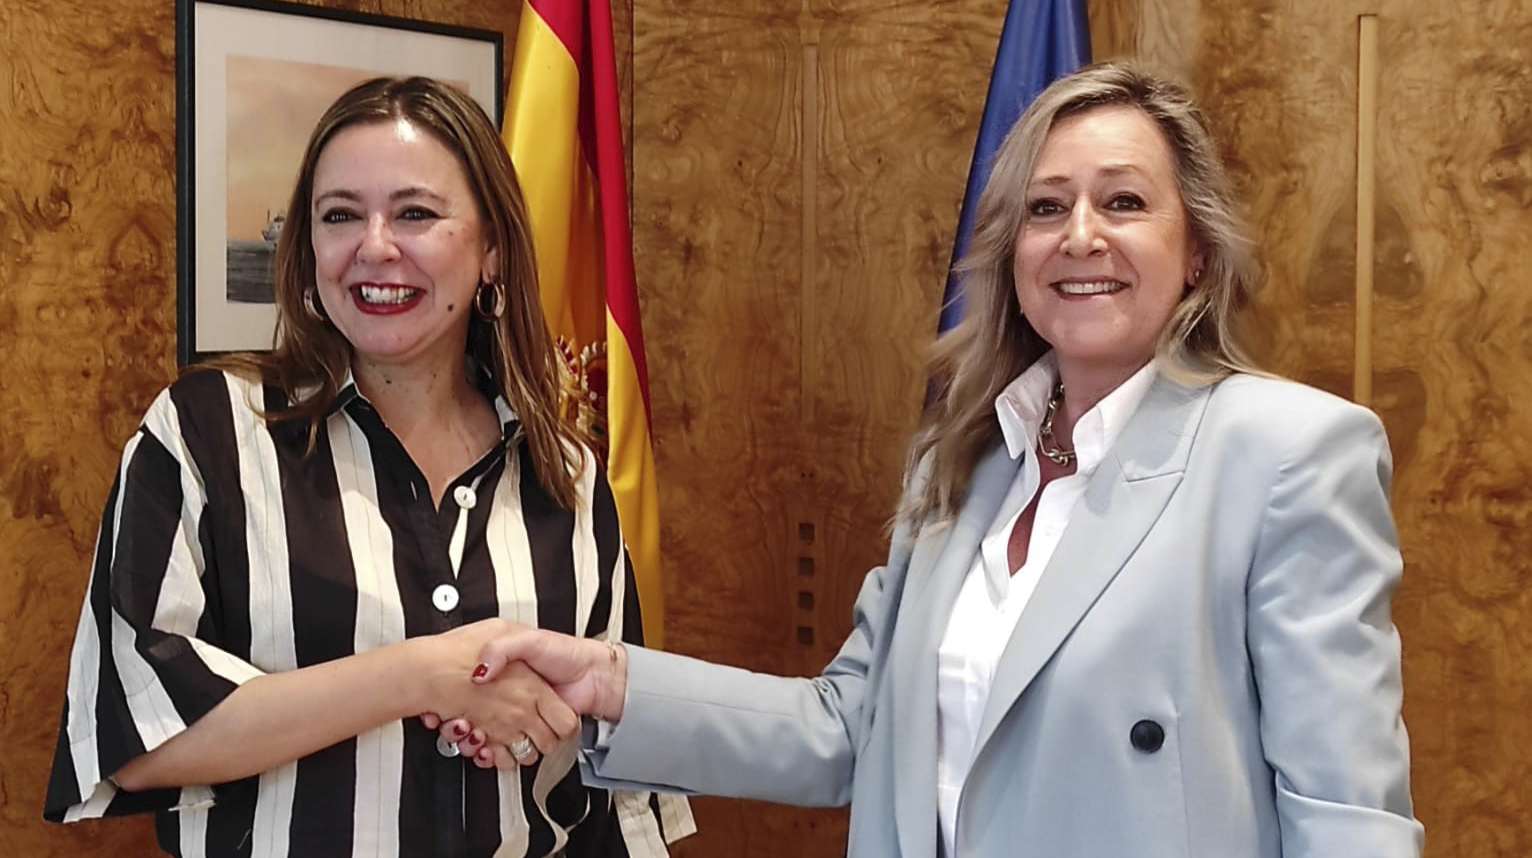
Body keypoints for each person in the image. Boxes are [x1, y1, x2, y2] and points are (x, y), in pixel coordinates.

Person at [447, 61, 1424, 857]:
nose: (1079, 236)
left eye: (1122, 201)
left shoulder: (1287, 452)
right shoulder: (961, 465)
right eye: (1045, 209)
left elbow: (1346, 814)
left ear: (1196, 252)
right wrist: (609, 684)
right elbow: (847, 727)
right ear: (1010, 249)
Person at [44, 76, 692, 857]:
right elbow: (138, 733)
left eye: (415, 213)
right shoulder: (204, 434)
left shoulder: (571, 478)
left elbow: (619, 793)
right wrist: (426, 673)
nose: (374, 246)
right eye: (340, 215)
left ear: (491, 248)